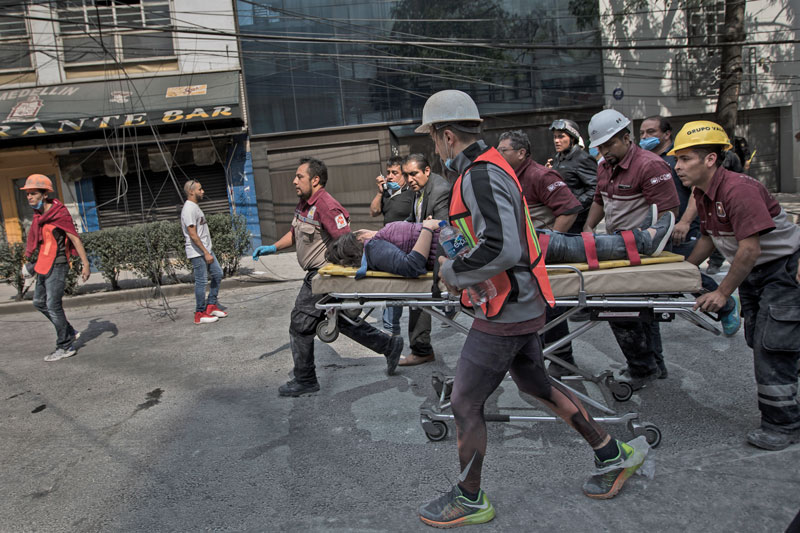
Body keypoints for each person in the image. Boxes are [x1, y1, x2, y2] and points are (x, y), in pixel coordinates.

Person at [413, 90, 645, 528]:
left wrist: (452, 269)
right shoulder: (490, 168)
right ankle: (613, 452)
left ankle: (469, 498)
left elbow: (504, 247)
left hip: (506, 310)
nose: (433, 146)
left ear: (446, 136)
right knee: (536, 384)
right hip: (519, 302)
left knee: (464, 402)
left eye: (432, 138)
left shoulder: (480, 175)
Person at [672, 120, 800, 451]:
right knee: (763, 340)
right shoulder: (702, 193)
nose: (678, 166)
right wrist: (680, 273)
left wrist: (722, 292)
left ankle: (782, 425)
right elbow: (712, 239)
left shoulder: (738, 190)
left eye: (685, 159)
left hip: (782, 271)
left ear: (710, 159)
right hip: (757, 274)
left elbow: (749, 249)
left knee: (772, 347)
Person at [251, 157, 403, 397]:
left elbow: (346, 244)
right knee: (339, 320)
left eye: (299, 176)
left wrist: (346, 278)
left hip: (322, 275)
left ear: (315, 179)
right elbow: (294, 233)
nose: (294, 181)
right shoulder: (304, 203)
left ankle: (305, 379)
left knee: (300, 323)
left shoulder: (327, 206)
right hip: (317, 274)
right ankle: (388, 345)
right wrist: (273, 247)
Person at [584, 109, 680, 389]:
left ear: (627, 137)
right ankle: (653, 365)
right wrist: (589, 228)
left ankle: (642, 368)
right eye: (600, 146)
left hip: (642, 248)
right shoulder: (605, 165)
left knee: (624, 311)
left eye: (608, 144)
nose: (604, 151)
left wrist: (648, 243)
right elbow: (599, 200)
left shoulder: (650, 166)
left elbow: (668, 212)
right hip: (618, 245)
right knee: (641, 310)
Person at [640, 116, 740, 336]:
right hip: (662, 230)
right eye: (642, 133)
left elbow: (697, 190)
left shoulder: (688, 159)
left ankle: (726, 305)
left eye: (651, 132)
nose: (645, 137)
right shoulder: (654, 160)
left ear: (667, 134)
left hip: (683, 228)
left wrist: (684, 222)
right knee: (679, 271)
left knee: (689, 272)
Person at [326, 214, 675, 275]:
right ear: (356, 240)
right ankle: (644, 241)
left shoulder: (379, 243)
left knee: (562, 242)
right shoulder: (374, 249)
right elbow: (411, 267)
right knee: (565, 248)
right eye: (361, 231)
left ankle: (641, 238)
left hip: (473, 241)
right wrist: (429, 229)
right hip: (475, 250)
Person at [498, 129, 583, 378]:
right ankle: (542, 360)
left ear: (521, 153)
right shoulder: (507, 177)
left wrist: (549, 244)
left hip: (541, 257)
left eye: (503, 151)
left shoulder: (540, 175)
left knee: (549, 308)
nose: (499, 155)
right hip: (521, 257)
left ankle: (563, 361)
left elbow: (569, 210)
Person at [20, 174, 91, 362]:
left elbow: (75, 238)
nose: (29, 197)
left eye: (33, 193)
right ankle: (69, 331)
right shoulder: (39, 216)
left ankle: (65, 346)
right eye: (27, 194)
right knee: (39, 302)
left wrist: (86, 264)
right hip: (44, 263)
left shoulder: (59, 213)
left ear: (44, 195)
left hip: (58, 264)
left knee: (52, 304)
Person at [398, 153, 450, 367]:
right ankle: (421, 349)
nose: (409, 179)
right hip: (429, 250)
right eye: (406, 175)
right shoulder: (419, 190)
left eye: (413, 174)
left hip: (445, 252)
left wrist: (439, 271)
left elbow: (445, 231)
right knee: (417, 296)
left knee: (418, 291)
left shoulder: (439, 191)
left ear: (427, 171)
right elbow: (417, 220)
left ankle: (421, 350)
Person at [369, 155, 415, 336]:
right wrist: (380, 192)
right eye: (388, 173)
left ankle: (448, 310)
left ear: (404, 176)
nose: (390, 177)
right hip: (389, 247)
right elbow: (373, 211)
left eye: (395, 173)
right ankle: (390, 329)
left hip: (406, 247)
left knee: (410, 290)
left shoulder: (411, 194)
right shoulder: (387, 194)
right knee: (391, 287)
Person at [181, 180, 228, 325]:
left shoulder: (195, 207)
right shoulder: (189, 209)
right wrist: (205, 252)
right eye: (200, 189)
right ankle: (199, 313)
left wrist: (208, 250)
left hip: (206, 249)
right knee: (201, 282)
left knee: (218, 274)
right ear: (191, 192)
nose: (203, 192)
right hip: (198, 252)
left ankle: (211, 305)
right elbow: (193, 234)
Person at [548, 119, 598, 233]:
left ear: (572, 138)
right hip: (560, 217)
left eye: (561, 137)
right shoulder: (558, 158)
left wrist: (573, 206)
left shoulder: (583, 158)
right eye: (555, 137)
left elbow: (595, 189)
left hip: (578, 222)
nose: (556, 141)